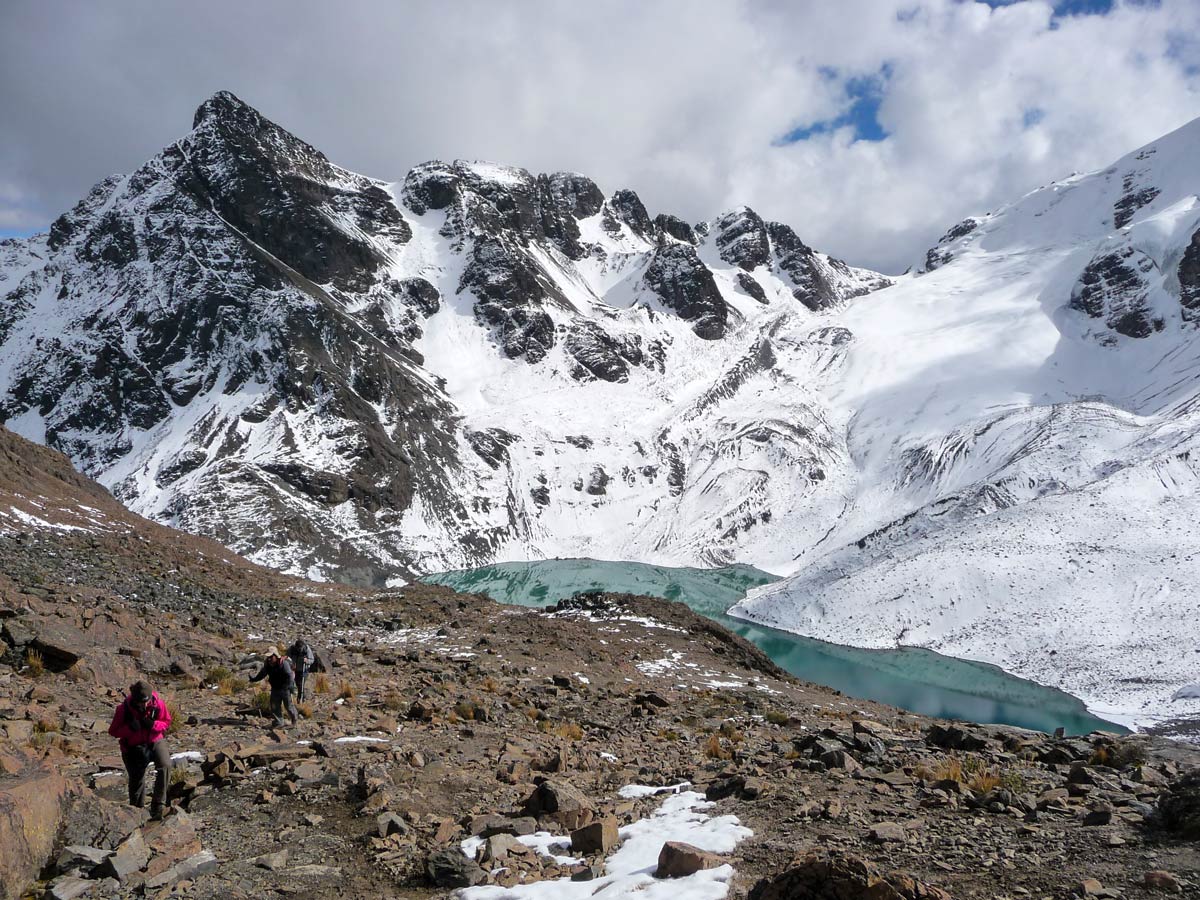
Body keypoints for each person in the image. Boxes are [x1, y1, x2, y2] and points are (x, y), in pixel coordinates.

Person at [108, 680, 172, 819]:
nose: (144, 705)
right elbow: (113, 731)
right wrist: (130, 729)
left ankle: (158, 806)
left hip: (154, 740)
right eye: (140, 702)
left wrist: (153, 724)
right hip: (132, 746)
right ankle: (137, 812)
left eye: (146, 701)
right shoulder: (123, 709)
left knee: (165, 765)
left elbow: (166, 722)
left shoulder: (158, 704)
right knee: (137, 778)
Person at [249, 646, 298, 727]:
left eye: (271, 657)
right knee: (274, 706)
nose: (269, 659)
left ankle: (294, 720)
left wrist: (291, 688)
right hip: (275, 688)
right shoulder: (268, 665)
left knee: (288, 706)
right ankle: (279, 722)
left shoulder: (284, 664)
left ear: (276, 655)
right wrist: (254, 679)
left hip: (285, 688)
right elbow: (263, 674)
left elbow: (290, 676)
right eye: (268, 657)